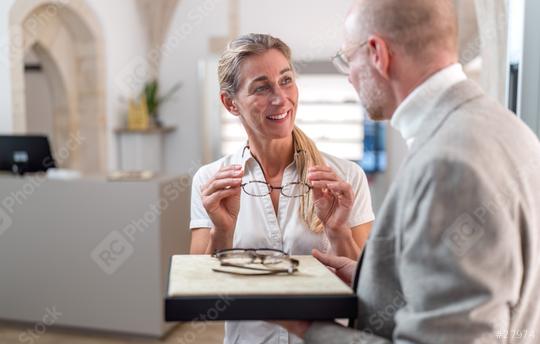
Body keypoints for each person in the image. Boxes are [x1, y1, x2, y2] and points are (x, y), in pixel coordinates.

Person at [277, 0, 540, 343]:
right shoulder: (507, 128)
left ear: (377, 54)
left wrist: (309, 328)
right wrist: (367, 280)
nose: (350, 79)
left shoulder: (448, 164)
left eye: (347, 59)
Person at [189, 33, 375, 344]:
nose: (280, 98)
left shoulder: (345, 177)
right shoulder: (211, 182)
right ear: (230, 103)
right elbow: (201, 297)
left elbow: (370, 292)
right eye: (261, 87)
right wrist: (222, 230)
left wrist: (338, 231)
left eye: (286, 80)